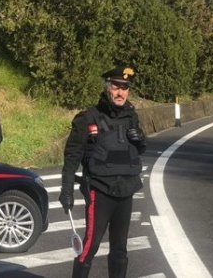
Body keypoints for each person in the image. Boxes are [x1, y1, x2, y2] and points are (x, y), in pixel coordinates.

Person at [59, 66, 147, 278]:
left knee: (120, 250)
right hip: (99, 191)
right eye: (116, 86)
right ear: (107, 87)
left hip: (126, 190)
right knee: (90, 246)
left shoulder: (131, 116)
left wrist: (140, 140)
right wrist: (67, 190)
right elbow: (71, 157)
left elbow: (138, 150)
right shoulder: (87, 118)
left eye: (125, 88)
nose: (121, 92)